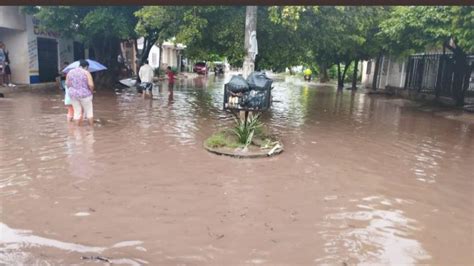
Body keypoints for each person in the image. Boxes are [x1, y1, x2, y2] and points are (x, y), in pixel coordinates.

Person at [66, 60, 95, 126]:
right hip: (85, 95)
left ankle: (77, 129)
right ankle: (91, 128)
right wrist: (91, 91)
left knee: (77, 112)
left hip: (73, 95)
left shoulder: (70, 72)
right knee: (89, 112)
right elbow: (91, 85)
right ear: (86, 66)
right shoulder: (86, 73)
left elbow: (67, 84)